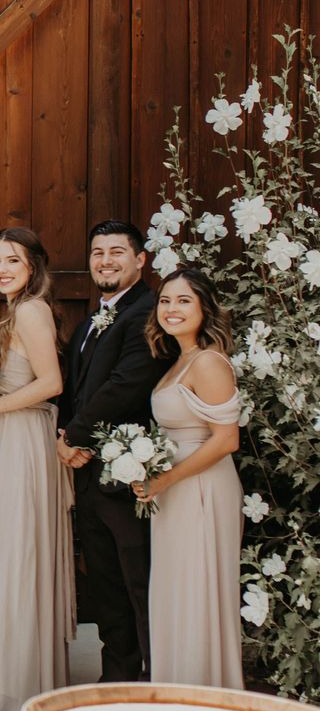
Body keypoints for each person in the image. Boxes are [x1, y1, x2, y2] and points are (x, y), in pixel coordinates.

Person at [0, 228, 73, 711]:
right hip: (5, 437)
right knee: (4, 555)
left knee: (13, 555)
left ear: (34, 268)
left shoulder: (30, 310)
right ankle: (10, 676)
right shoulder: (8, 312)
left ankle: (9, 687)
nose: (2, 269)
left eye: (13, 261)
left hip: (23, 439)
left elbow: (51, 384)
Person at [58, 220, 166, 683]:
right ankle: (115, 676)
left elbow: (126, 386)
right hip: (88, 470)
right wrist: (64, 432)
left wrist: (74, 437)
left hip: (129, 471)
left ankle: (152, 676)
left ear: (140, 260)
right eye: (98, 251)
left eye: (117, 252)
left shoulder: (147, 311)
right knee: (103, 580)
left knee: (137, 580)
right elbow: (74, 385)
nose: (106, 260)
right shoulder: (90, 319)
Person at [132, 269, 243, 689]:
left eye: (183, 301)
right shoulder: (179, 361)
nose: (171, 309)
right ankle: (176, 692)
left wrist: (165, 479)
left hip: (202, 490)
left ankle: (205, 695)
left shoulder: (209, 362)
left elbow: (226, 439)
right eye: (165, 300)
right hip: (174, 491)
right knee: (176, 591)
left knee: (198, 592)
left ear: (204, 308)